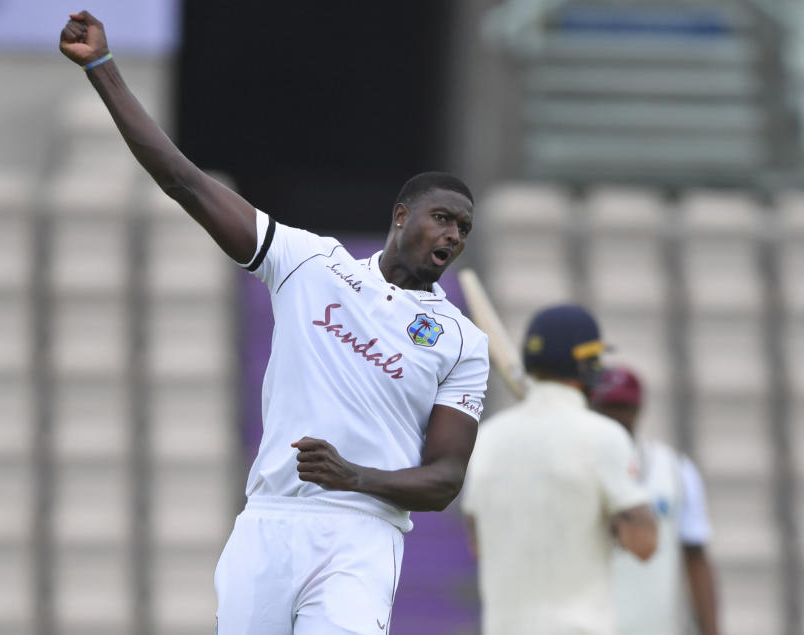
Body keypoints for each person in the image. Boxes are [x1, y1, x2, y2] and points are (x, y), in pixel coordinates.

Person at [59, 11, 490, 634]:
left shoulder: (462, 342)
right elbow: (182, 179)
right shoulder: (310, 263)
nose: (453, 233)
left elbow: (445, 478)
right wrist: (103, 69)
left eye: (464, 229)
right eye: (443, 217)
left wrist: (354, 477)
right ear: (400, 215)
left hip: (361, 535)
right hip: (268, 522)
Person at [461, 304, 657, 635]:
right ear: (588, 364)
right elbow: (644, 543)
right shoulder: (604, 437)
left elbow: (478, 542)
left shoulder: (486, 439)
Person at [591, 366, 720, 635]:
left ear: (638, 409)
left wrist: (711, 629)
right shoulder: (573, 466)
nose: (615, 415)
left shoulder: (674, 469)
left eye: (623, 406)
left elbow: (695, 556)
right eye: (607, 406)